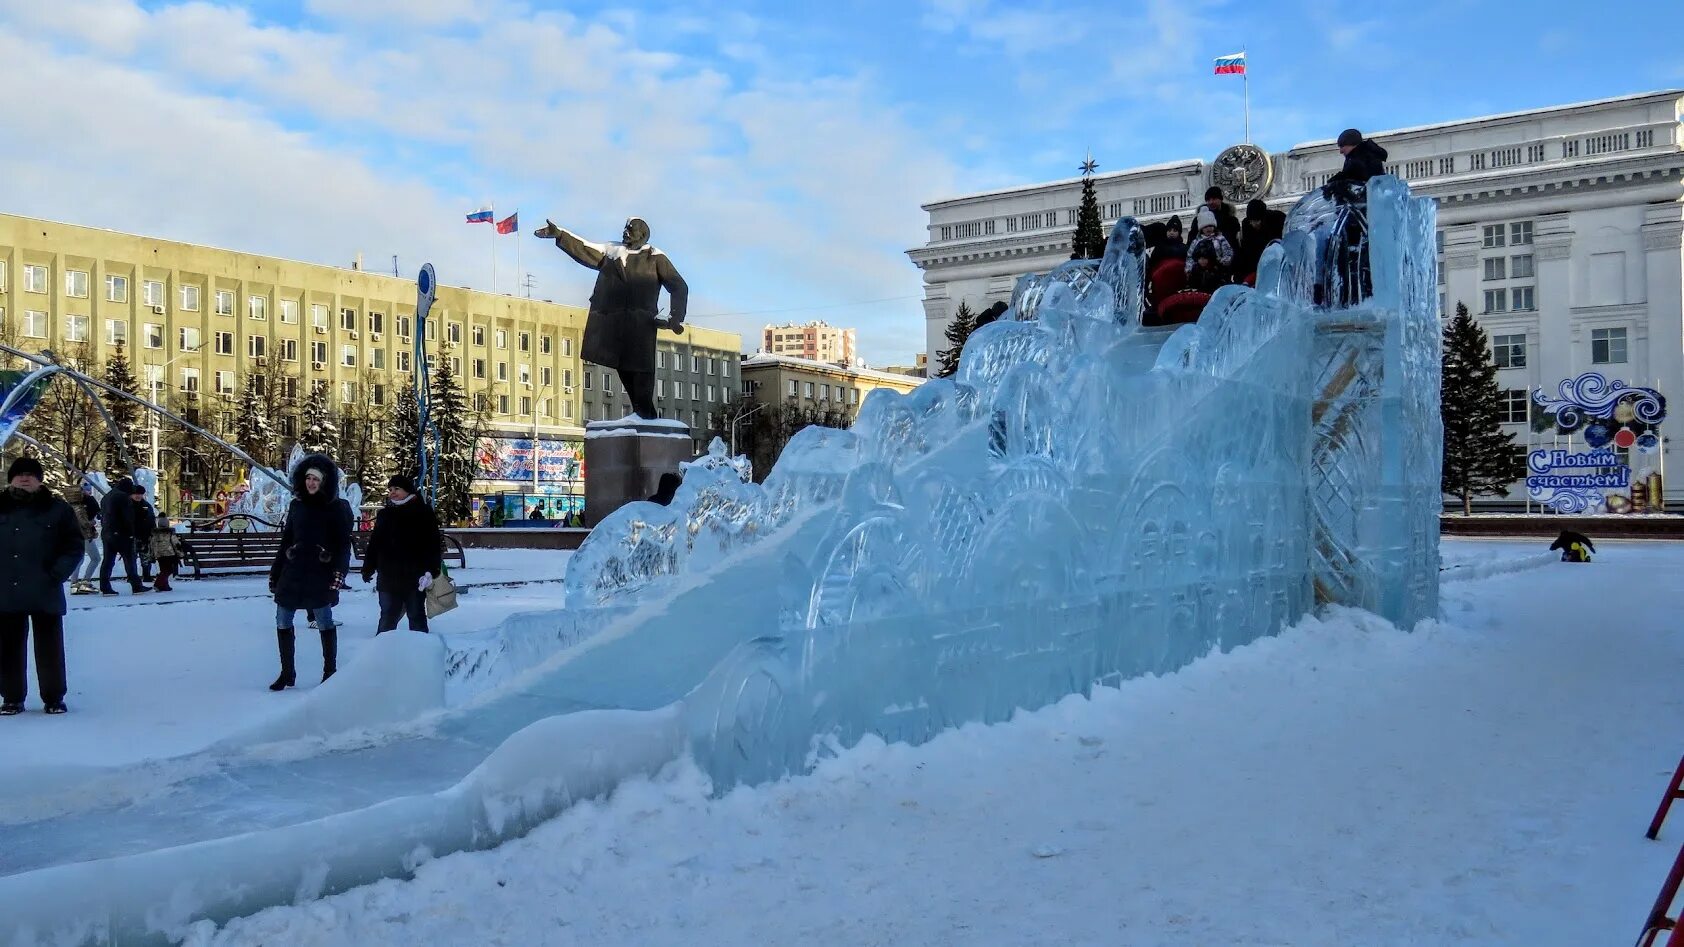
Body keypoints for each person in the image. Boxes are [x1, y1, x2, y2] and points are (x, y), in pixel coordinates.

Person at [0, 457, 84, 715]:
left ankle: (54, 697)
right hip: (6, 590)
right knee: (8, 649)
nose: (24, 478)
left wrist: (56, 574)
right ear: (10, 478)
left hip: (44, 589)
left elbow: (73, 546)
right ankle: (12, 698)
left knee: (50, 650)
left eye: (30, 474)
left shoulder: (56, 509)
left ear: (39, 480)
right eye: (19, 474)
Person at [267, 455, 354, 690]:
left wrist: (338, 575)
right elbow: (286, 541)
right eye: (308, 478)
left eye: (316, 479)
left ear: (324, 481)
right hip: (293, 573)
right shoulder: (297, 505)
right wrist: (276, 572)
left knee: (324, 622)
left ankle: (330, 671)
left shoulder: (336, 507)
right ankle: (287, 673)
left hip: (320, 574)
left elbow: (343, 545)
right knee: (283, 620)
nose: (311, 483)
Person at [360, 475, 444, 635]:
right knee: (387, 617)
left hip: (415, 576)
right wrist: (368, 567)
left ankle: (421, 653)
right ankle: (381, 654)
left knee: (416, 615)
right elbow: (375, 542)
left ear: (407, 490)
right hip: (388, 576)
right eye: (390, 489)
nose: (392, 492)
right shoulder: (385, 514)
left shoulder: (423, 512)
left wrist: (432, 570)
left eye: (396, 489)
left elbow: (433, 543)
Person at [98, 475, 145, 595]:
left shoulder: (106, 497)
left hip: (107, 532)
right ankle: (136, 585)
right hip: (122, 533)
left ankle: (105, 586)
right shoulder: (123, 497)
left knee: (108, 561)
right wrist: (131, 533)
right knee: (130, 559)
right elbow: (127, 517)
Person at [65, 482, 101, 595]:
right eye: (86, 490)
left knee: (80, 559)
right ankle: (85, 582)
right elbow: (84, 523)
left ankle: (74, 584)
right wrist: (93, 522)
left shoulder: (72, 505)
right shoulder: (83, 505)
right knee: (95, 558)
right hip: (84, 535)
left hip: (76, 535)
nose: (88, 491)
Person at [1185, 207, 1234, 279]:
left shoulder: (1220, 239)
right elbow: (1190, 256)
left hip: (1218, 271)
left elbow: (1228, 252)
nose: (1208, 228)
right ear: (1201, 229)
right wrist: (1189, 269)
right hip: (1199, 273)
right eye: (1205, 227)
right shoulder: (1196, 242)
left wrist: (1223, 261)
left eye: (1210, 226)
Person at [148, 514, 185, 592]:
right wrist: (180, 553)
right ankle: (158, 584)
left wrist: (152, 555)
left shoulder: (154, 534)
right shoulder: (170, 533)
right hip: (169, 553)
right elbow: (176, 544)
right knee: (168, 570)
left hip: (159, 554)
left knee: (163, 569)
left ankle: (164, 586)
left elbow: (151, 545)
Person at [131, 483, 158, 585]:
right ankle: (132, 576)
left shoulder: (146, 506)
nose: (138, 496)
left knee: (145, 558)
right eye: (136, 494)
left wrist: (152, 532)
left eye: (140, 494)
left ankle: (146, 575)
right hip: (132, 536)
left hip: (145, 536)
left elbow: (151, 520)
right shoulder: (128, 505)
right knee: (132, 558)